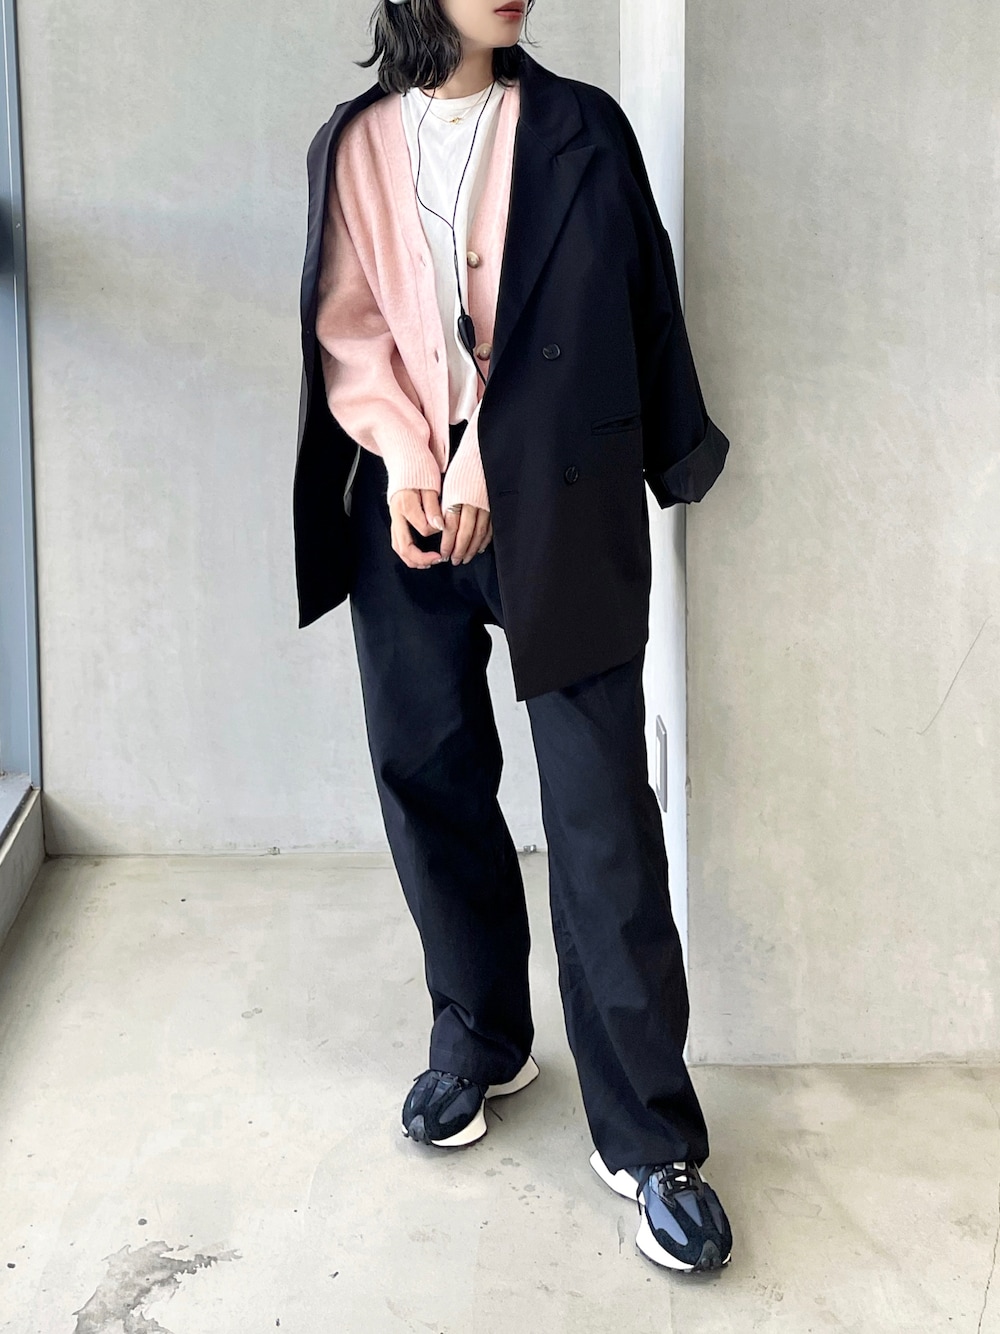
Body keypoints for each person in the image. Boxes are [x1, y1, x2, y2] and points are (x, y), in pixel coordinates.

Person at [301, 0, 733, 1274]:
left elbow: (614, 317)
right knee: (427, 771)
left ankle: (650, 1136)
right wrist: (404, 458)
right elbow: (350, 327)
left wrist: (492, 459)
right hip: (403, 510)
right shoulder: (353, 142)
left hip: (559, 496)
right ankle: (480, 1037)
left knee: (599, 808)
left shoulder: (580, 129)